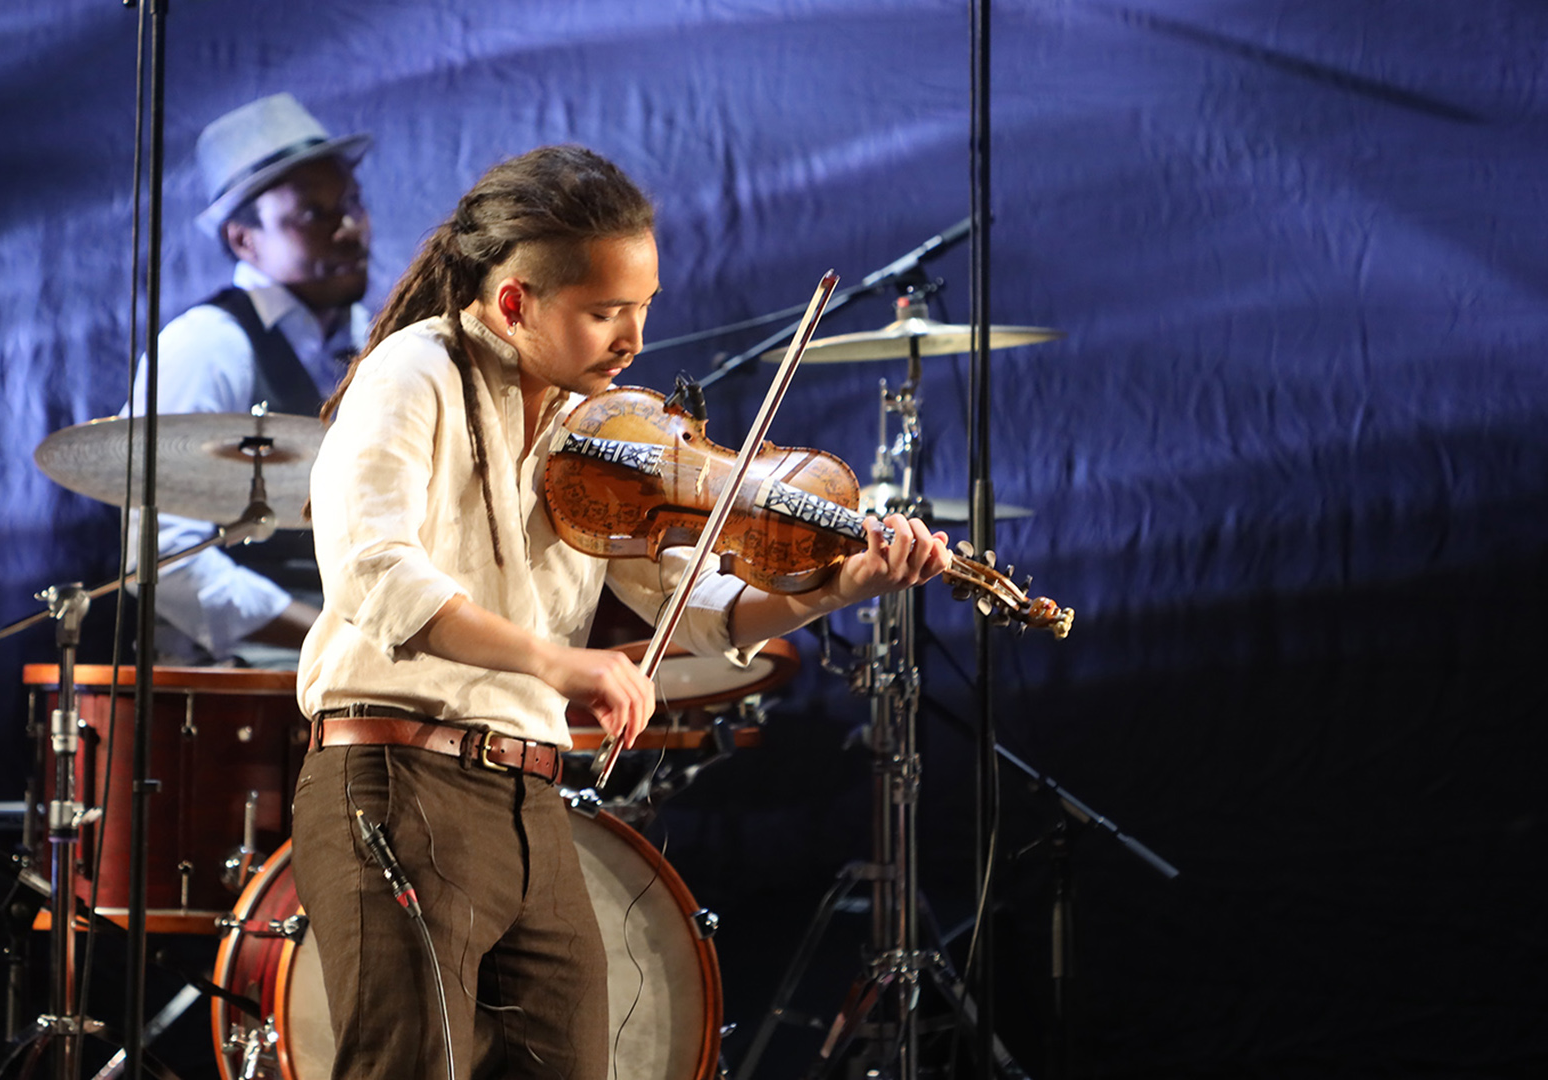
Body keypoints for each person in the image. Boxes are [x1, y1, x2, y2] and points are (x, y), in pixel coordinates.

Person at [289, 145, 952, 1079]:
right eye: (605, 312)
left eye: (643, 307)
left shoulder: (590, 431)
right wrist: (561, 664)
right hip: (398, 777)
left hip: (527, 794)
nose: (634, 339)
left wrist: (841, 588)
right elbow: (376, 574)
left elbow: (708, 612)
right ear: (514, 301)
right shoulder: (416, 370)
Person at [127, 92, 373, 666]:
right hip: (248, 679)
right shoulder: (204, 346)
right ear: (244, 239)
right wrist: (329, 640)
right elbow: (167, 556)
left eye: (353, 203)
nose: (350, 229)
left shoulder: (383, 343)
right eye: (314, 214)